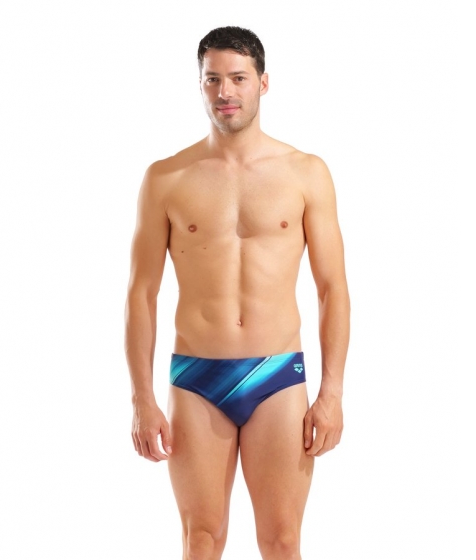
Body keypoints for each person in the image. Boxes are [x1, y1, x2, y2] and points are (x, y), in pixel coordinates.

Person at [124, 26, 350, 560]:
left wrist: (332, 393)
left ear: (263, 83)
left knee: (282, 540)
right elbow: (141, 293)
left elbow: (332, 288)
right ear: (200, 84)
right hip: (196, 377)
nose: (225, 91)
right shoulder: (166, 177)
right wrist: (142, 400)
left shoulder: (306, 173)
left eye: (238, 78)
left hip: (277, 375)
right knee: (202, 539)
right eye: (213, 79)